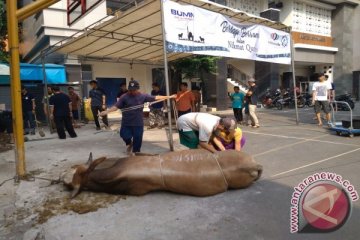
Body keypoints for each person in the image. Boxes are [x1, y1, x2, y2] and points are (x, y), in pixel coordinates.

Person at [100, 80, 176, 153]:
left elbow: (156, 97)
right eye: (130, 90)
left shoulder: (143, 96)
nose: (132, 92)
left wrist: (169, 96)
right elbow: (116, 106)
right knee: (124, 135)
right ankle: (129, 143)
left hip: (138, 122)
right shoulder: (124, 97)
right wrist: (106, 111)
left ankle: (136, 152)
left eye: (134, 90)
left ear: (137, 88)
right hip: (127, 122)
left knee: (138, 138)